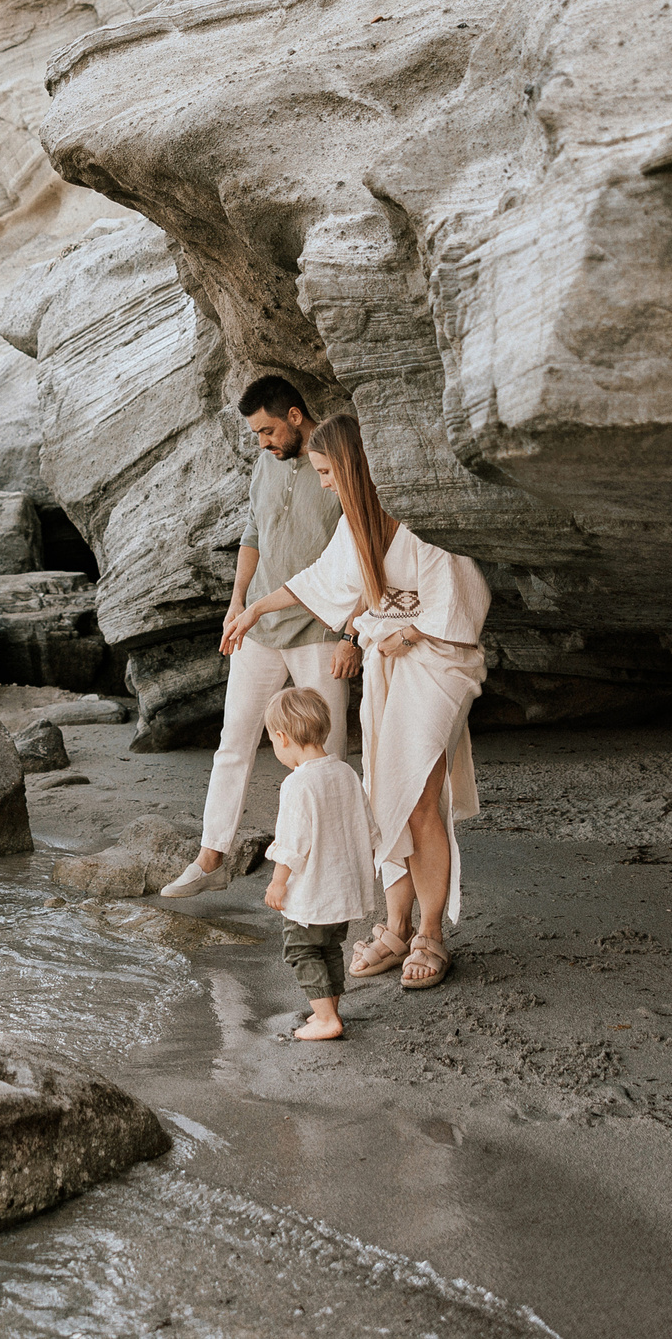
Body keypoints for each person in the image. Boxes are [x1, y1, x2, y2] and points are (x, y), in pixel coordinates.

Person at [223, 412, 490, 991]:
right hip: (388, 659)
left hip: (440, 662)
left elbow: (461, 598)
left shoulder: (418, 516)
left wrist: (408, 632)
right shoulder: (355, 523)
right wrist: (253, 609)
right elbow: (319, 579)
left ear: (352, 466)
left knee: (420, 797)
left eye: (327, 472)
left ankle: (430, 934)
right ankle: (396, 927)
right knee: (385, 791)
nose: (323, 484)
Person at [161, 373, 355, 898]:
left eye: (268, 431)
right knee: (234, 740)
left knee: (327, 750)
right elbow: (252, 534)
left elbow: (361, 552)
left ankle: (324, 863)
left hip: (319, 626)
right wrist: (237, 601)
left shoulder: (335, 463)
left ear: (295, 416)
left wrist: (351, 635)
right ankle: (211, 856)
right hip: (260, 625)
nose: (263, 442)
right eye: (256, 435)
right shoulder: (265, 463)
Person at [261, 686, 381, 1041]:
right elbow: (368, 830)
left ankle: (327, 1019)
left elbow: (291, 844)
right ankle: (329, 1010)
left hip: (312, 894)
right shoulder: (345, 772)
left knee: (301, 950)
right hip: (343, 890)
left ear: (282, 738)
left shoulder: (298, 784)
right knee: (329, 948)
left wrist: (278, 883)